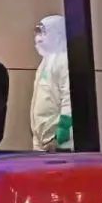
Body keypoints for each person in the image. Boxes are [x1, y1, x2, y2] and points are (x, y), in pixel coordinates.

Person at [30, 15, 73, 152]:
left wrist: (61, 135)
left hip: (59, 143)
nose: (39, 38)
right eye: (37, 33)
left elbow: (69, 98)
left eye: (44, 33)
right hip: (43, 142)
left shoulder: (64, 60)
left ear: (58, 34)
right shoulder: (45, 62)